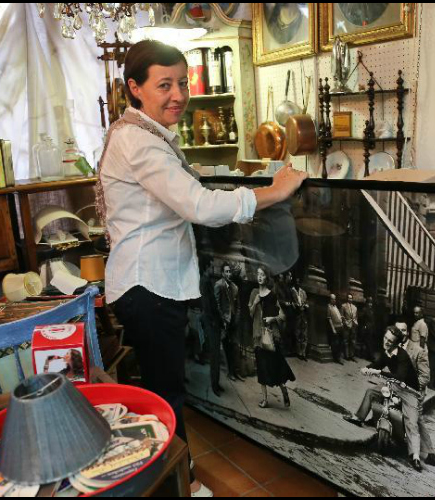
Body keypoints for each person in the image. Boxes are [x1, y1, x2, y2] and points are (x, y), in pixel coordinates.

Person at [99, 40, 306, 498]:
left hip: (149, 284)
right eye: (163, 85)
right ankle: (180, 485)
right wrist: (274, 191)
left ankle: (177, 479)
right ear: (135, 88)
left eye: (181, 83)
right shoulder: (137, 140)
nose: (178, 95)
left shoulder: (144, 134)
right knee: (165, 397)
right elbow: (198, 205)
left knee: (163, 392)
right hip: (147, 285)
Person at [343, 327, 425, 470]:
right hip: (395, 385)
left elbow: (399, 376)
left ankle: (415, 456)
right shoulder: (386, 352)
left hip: (409, 391)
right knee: (371, 392)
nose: (386, 342)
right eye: (385, 338)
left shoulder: (402, 356)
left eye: (390, 341)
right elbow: (378, 364)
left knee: (411, 422)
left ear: (397, 343)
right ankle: (358, 418)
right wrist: (367, 368)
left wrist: (379, 372)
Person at [249, 266, 296, 409]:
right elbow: (251, 313)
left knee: (275, 366)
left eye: (262, 274)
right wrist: (256, 302)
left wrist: (272, 319)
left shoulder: (272, 295)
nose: (259, 277)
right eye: (258, 274)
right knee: (261, 368)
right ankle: (264, 399)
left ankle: (283, 390)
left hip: (270, 336)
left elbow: (282, 316)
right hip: (258, 335)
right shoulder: (254, 293)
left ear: (266, 277)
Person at [400, 322, 435, 468]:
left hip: (415, 391)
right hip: (405, 389)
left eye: (404, 330)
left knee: (414, 420)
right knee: (418, 420)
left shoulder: (419, 351)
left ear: (408, 333)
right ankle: (430, 454)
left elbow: (425, 377)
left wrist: (411, 387)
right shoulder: (397, 347)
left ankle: (418, 455)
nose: (402, 334)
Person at [212, 262, 243, 395]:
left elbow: (239, 306)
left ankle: (234, 372)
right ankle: (223, 375)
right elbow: (216, 304)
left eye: (230, 272)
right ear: (222, 273)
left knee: (234, 347)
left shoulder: (235, 287)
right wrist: (222, 319)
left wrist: (236, 319)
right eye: (226, 272)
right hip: (223, 322)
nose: (229, 274)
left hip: (233, 322)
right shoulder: (219, 285)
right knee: (223, 348)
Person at [326, 294, 345, 364]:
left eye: (335, 299)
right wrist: (333, 328)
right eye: (333, 299)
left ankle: (339, 356)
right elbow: (329, 319)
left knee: (341, 342)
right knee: (336, 343)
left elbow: (338, 315)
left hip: (340, 326)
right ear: (330, 299)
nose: (334, 300)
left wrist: (341, 320)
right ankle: (337, 358)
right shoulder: (329, 307)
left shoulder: (336, 307)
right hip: (335, 327)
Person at [342, 294, 359, 362]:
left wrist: (356, 322)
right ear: (347, 299)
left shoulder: (355, 307)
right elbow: (342, 316)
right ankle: (346, 355)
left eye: (351, 298)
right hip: (346, 325)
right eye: (349, 298)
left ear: (352, 299)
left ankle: (352, 355)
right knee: (345, 341)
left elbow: (356, 316)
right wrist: (345, 323)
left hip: (353, 326)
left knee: (353, 341)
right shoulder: (343, 306)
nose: (350, 299)